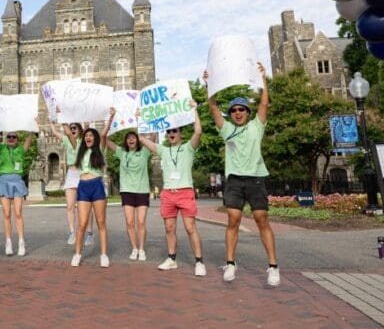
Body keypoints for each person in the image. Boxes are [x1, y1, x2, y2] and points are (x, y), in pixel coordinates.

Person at [205, 63, 279, 286]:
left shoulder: (257, 126)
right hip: (235, 179)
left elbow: (264, 103)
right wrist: (210, 84)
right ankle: (230, 263)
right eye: (234, 110)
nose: (237, 113)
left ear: (248, 112)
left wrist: (263, 78)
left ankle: (273, 266)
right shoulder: (226, 129)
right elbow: (213, 107)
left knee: (261, 218)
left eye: (241, 109)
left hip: (255, 178)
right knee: (234, 219)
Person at [140, 102, 205, 276]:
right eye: (168, 131)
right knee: (169, 228)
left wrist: (194, 110)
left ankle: (199, 261)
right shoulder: (162, 150)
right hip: (168, 193)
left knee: (190, 227)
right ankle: (172, 259)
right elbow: (142, 139)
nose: (171, 134)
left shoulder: (188, 148)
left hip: (185, 191)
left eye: (174, 131)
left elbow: (198, 132)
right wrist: (140, 119)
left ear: (181, 134)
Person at [105, 108, 151, 261]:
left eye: (134, 137)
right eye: (128, 138)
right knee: (130, 222)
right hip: (127, 191)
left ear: (138, 140)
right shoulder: (121, 152)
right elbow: (104, 138)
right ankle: (134, 248)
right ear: (126, 141)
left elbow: (152, 137)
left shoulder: (144, 152)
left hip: (142, 190)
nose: (131, 139)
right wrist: (110, 118)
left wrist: (140, 120)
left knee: (141, 221)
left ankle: (142, 249)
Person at [71, 113, 113, 267]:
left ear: (94, 138)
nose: (88, 137)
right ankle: (77, 254)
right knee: (82, 224)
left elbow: (104, 133)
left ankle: (103, 254)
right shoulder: (79, 150)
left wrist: (112, 116)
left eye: (91, 135)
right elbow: (71, 132)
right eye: (86, 135)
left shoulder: (100, 150)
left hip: (97, 186)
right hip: (83, 187)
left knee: (101, 222)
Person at [0, 119, 38, 256]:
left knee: (18, 213)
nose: (11, 139)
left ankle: (21, 242)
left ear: (18, 140)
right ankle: (8, 242)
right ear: (6, 139)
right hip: (4, 181)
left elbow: (30, 139)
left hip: (17, 181)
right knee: (6, 214)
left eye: (14, 137)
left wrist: (32, 126)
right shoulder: (1, 149)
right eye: (9, 137)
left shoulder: (21, 150)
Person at [51, 114, 94, 247]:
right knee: (70, 206)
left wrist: (62, 116)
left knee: (87, 207)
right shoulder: (66, 140)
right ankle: (72, 232)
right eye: (71, 127)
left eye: (75, 127)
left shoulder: (82, 143)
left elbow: (69, 134)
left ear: (80, 130)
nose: (72, 129)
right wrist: (52, 119)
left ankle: (90, 233)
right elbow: (54, 132)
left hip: (82, 173)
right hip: (71, 173)